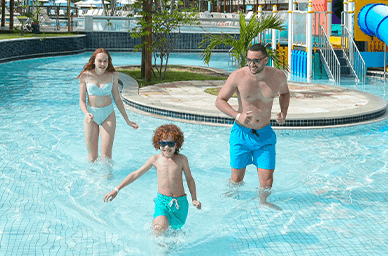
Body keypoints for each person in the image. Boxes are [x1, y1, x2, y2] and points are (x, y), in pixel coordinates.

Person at [215, 43, 290, 196]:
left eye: (256, 60)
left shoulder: (277, 76)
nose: (251, 64)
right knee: (236, 179)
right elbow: (220, 100)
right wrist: (237, 115)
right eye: (249, 60)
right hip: (241, 133)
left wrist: (283, 112)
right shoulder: (238, 76)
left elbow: (285, 93)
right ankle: (232, 202)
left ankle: (263, 206)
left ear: (266, 60)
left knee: (267, 181)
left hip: (265, 134)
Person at [104, 123, 201, 234]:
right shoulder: (155, 159)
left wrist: (194, 198)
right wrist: (116, 189)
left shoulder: (182, 159)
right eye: (163, 143)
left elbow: (189, 179)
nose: (167, 147)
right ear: (158, 143)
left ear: (177, 144)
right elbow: (136, 174)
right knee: (158, 229)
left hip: (180, 204)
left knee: (173, 235)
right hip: (162, 202)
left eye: (171, 143)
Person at [78, 48, 138, 162]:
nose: (102, 64)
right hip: (91, 115)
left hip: (108, 114)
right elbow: (81, 101)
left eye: (105, 61)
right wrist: (86, 114)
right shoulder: (85, 76)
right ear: (94, 61)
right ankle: (91, 178)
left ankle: (106, 178)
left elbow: (117, 99)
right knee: (92, 157)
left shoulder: (113, 75)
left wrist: (127, 120)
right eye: (100, 61)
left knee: (107, 158)